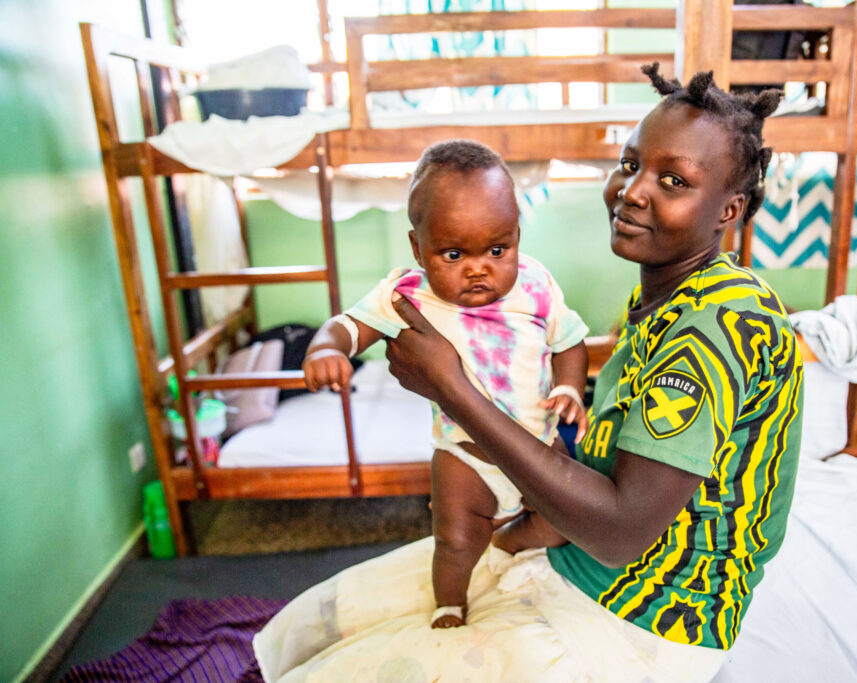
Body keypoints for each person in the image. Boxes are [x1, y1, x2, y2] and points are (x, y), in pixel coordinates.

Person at [255, 65, 803, 683]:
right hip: (572, 548)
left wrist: (453, 391)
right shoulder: (666, 296)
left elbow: (622, 532)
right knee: (316, 623)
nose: (633, 191)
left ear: (729, 209)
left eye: (672, 180)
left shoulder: (716, 326)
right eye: (629, 165)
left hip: (645, 618)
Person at [300, 139, 590, 629]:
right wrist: (326, 349)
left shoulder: (536, 285)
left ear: (517, 234)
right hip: (464, 456)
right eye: (453, 253)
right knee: (455, 540)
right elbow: (349, 326)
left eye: (499, 249)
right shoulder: (405, 294)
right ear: (419, 248)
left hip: (537, 447)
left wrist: (570, 388)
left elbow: (571, 342)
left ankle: (511, 539)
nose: (478, 268)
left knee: (566, 520)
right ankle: (450, 603)